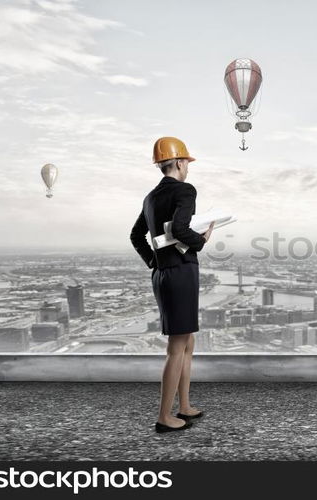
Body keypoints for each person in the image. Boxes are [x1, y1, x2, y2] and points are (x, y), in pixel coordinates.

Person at [130, 136, 215, 433]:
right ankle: (165, 417)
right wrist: (201, 240)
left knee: (187, 342)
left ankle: (185, 406)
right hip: (180, 273)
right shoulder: (185, 190)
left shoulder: (150, 198)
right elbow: (180, 229)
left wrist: (153, 261)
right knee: (177, 346)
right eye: (187, 163)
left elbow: (135, 236)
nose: (188, 168)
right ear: (179, 162)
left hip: (165, 273)